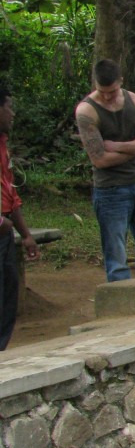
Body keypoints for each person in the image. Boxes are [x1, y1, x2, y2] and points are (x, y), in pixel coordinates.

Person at [75, 59, 135, 282]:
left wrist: (117, 146)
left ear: (121, 81)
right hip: (110, 190)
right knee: (116, 257)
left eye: (112, 91)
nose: (107, 97)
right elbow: (100, 160)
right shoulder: (86, 111)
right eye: (102, 91)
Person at [1, 84, 41, 350]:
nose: (13, 113)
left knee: (8, 290)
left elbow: (10, 191)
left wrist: (26, 234)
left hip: (5, 230)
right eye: (8, 107)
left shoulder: (4, 146)